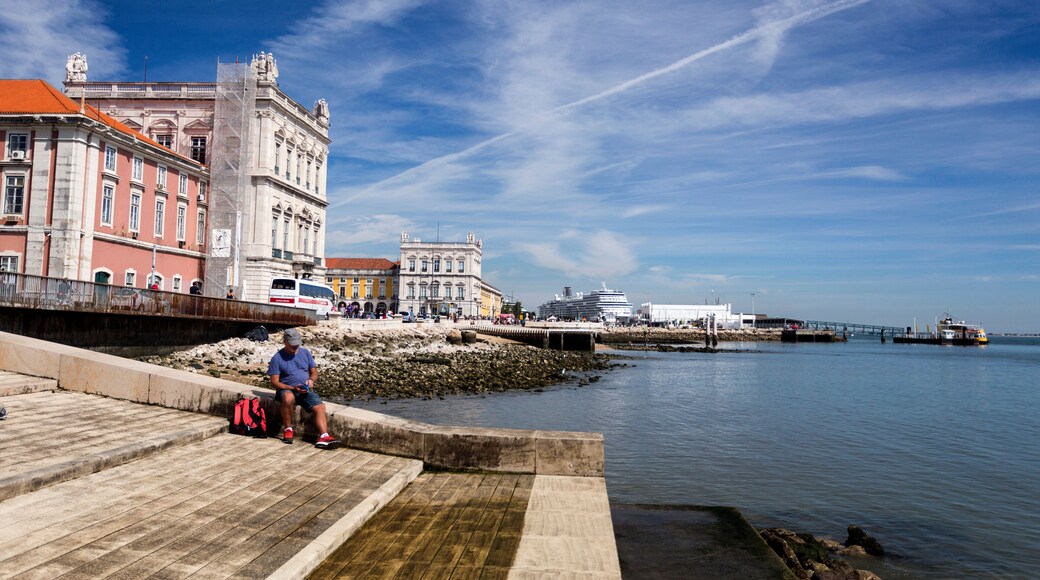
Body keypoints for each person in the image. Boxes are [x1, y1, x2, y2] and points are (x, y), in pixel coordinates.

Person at [267, 328, 340, 449]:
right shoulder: (277, 358)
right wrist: (292, 388)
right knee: (288, 397)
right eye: (292, 344)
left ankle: (324, 436)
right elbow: (274, 382)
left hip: (305, 390)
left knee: (320, 406)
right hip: (287, 389)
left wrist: (311, 380)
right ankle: (288, 429)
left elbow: (314, 372)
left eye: (297, 344)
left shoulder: (305, 353)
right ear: (285, 341)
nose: (295, 346)